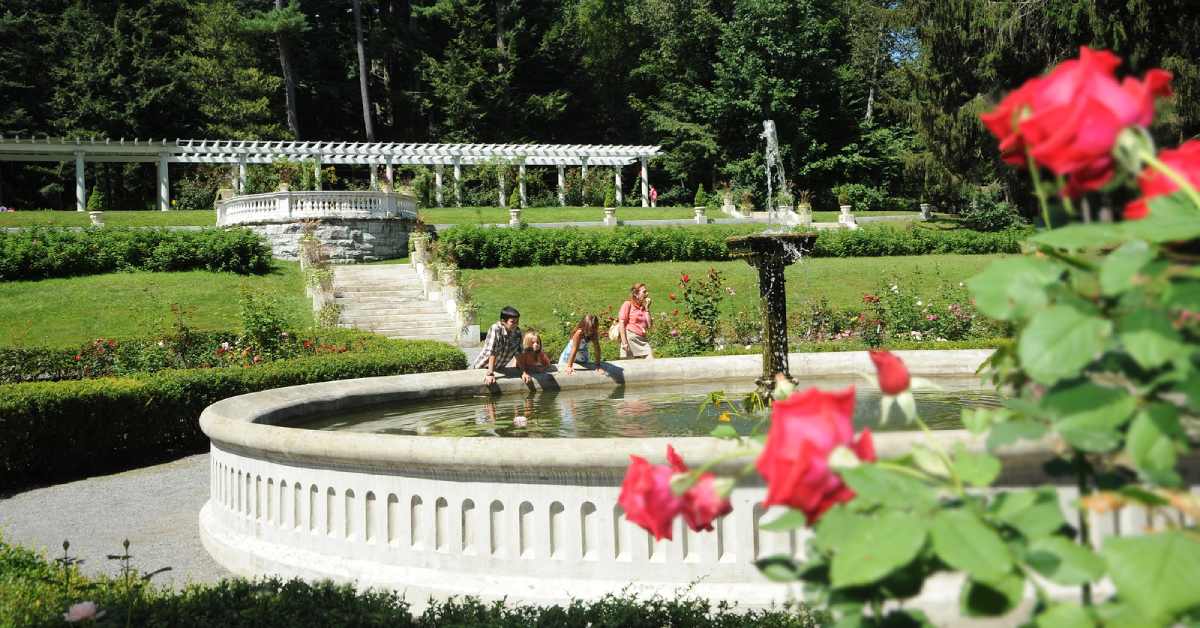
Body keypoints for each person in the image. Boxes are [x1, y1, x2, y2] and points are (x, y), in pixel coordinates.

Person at [471, 306, 528, 385]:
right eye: (512, 322)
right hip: (483, 367)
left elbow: (518, 353)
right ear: (503, 321)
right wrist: (490, 373)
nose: (516, 324)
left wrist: (524, 372)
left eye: (517, 321)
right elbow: (493, 352)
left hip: (499, 368)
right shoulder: (496, 329)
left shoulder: (517, 332)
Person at [618, 283, 653, 359]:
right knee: (629, 366)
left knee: (650, 360)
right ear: (636, 294)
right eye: (644, 292)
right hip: (630, 338)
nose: (647, 294)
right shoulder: (628, 304)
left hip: (641, 338)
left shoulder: (643, 307)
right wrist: (624, 343)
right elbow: (621, 323)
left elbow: (649, 325)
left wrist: (647, 308)